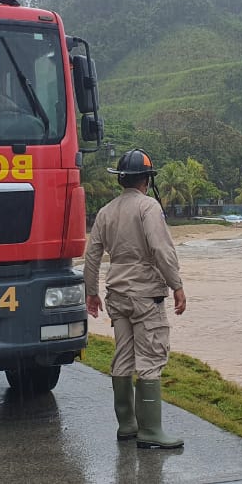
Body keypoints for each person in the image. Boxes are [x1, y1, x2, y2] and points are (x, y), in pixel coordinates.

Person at [84, 148, 187, 449]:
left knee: (123, 357)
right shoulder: (149, 207)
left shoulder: (106, 211)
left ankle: (127, 425)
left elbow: (92, 256)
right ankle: (151, 431)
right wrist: (176, 284)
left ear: (122, 180)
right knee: (151, 358)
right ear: (146, 179)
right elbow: (161, 250)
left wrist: (91, 292)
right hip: (146, 296)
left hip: (117, 295)